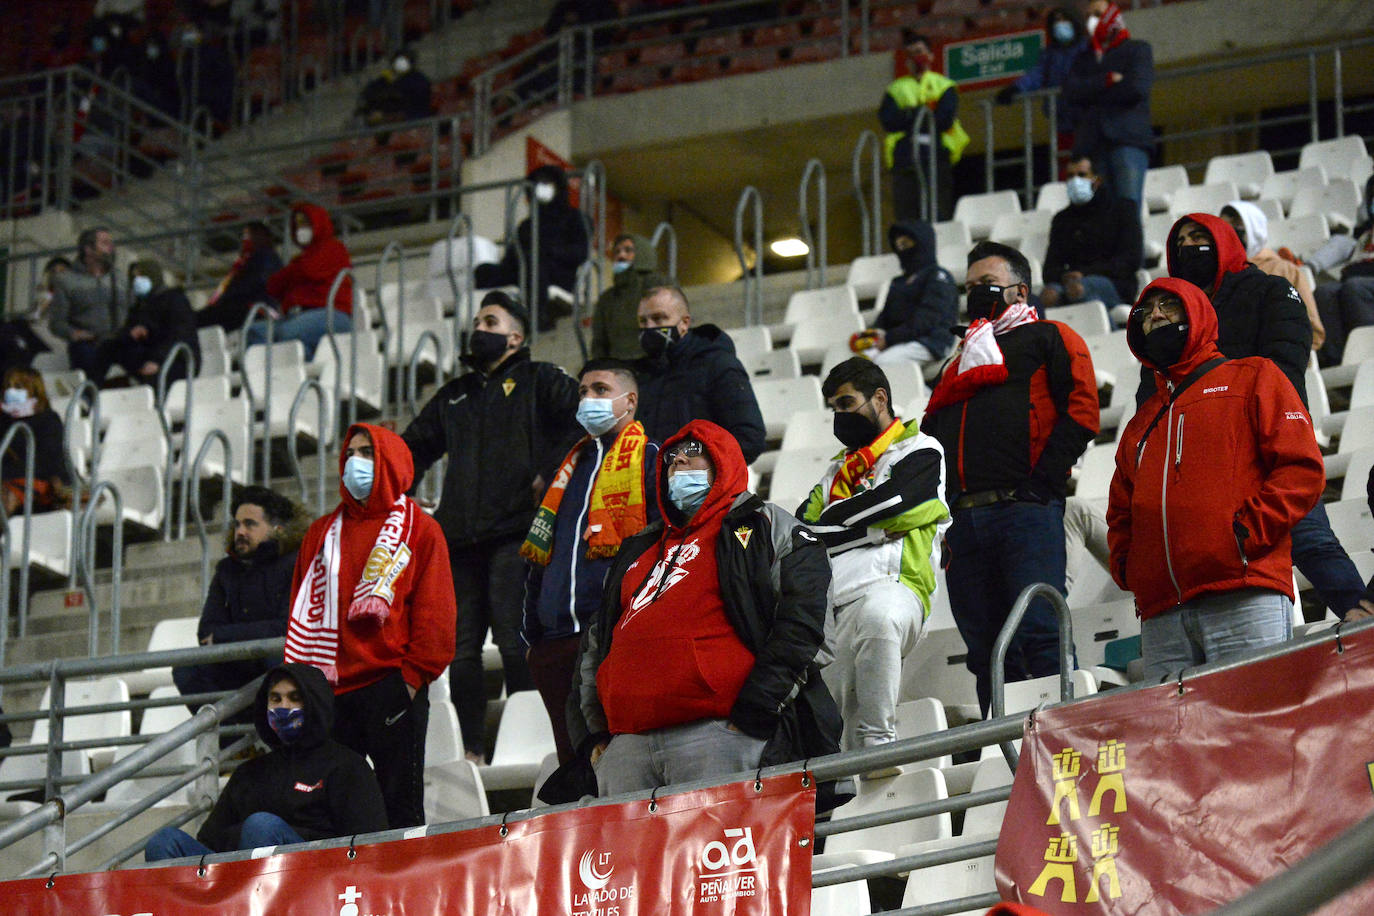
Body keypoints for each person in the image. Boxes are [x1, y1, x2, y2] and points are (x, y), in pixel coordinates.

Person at [573, 420, 834, 794]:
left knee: (716, 854)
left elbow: (807, 622)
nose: (677, 466)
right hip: (626, 746)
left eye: (691, 459)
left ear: (722, 463)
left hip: (719, 735)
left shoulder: (768, 527)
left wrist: (756, 710)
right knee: (636, 857)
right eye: (672, 461)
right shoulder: (638, 547)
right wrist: (596, 733)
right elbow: (596, 644)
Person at [1149, 212, 1366, 622]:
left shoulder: (1270, 289)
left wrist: (1235, 409)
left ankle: (1361, 620)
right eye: (1181, 240)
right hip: (1202, 456)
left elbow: (1286, 362)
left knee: (1309, 538)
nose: (1188, 247)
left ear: (1227, 240)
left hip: (1268, 436)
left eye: (1200, 236)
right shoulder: (1170, 314)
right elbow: (1153, 394)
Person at [1108, 280, 1324, 681]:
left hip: (1245, 594)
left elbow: (1301, 470)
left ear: (1199, 314)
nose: (1155, 315)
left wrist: (1242, 537)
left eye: (1168, 306)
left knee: (1255, 732)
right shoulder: (1142, 422)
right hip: (1161, 613)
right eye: (1146, 310)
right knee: (1180, 744)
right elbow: (1121, 511)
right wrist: (1132, 567)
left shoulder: (1255, 377)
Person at [401, 292, 581, 763]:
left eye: (490, 320)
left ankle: (528, 741)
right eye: (477, 319)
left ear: (515, 337)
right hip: (456, 540)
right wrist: (403, 492)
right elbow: (412, 447)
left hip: (516, 531)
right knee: (460, 653)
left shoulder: (541, 378)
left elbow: (579, 423)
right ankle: (472, 750)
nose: (478, 327)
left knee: (513, 641)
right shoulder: (454, 395)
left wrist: (548, 470)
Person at [920, 242, 1099, 713]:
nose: (976, 292)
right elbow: (931, 436)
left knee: (1040, 635)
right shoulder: (958, 360)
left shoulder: (1049, 336)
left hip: (1025, 511)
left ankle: (1065, 752)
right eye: (970, 286)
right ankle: (1009, 766)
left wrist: (1041, 485)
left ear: (1020, 290)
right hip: (965, 524)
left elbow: (1081, 413)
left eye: (987, 284)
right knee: (986, 654)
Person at [285, 423, 456, 829]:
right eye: (350, 454)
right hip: (329, 691)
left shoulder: (421, 529)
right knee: (334, 812)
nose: (354, 463)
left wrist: (411, 680)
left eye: (367, 453)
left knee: (400, 808)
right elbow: (297, 607)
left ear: (391, 463)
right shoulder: (320, 534)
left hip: (391, 687)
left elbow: (436, 613)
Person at [799, 358, 950, 752]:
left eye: (847, 404)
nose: (840, 416)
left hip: (896, 585)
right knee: (829, 719)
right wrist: (874, 530)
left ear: (879, 398)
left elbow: (899, 504)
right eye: (833, 407)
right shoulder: (834, 473)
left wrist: (840, 521)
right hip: (832, 601)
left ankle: (880, 744)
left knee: (878, 618)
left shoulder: (921, 449)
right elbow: (804, 533)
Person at [520, 359, 660, 765]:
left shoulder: (652, 459)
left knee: (621, 765)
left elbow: (660, 549)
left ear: (629, 401)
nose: (588, 400)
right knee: (575, 768)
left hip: (613, 639)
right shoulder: (568, 467)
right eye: (583, 392)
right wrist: (532, 638)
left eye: (600, 390)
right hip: (555, 643)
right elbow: (539, 556)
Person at [144, 664, 388, 861]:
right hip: (240, 878)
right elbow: (210, 841)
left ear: (315, 704)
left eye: (294, 698)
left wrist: (264, 833)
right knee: (165, 842)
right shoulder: (249, 772)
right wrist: (244, 838)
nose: (284, 707)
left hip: (316, 880)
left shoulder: (346, 766)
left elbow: (369, 848)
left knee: (261, 826)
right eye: (276, 699)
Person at [172, 487, 305, 708]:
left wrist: (227, 635)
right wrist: (238, 636)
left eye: (250, 524)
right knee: (188, 669)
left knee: (279, 660)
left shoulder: (297, 563)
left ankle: (277, 734)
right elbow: (206, 632)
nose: (240, 531)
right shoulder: (227, 569)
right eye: (237, 524)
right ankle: (233, 737)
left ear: (277, 529)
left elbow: (288, 627)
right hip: (241, 666)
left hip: (280, 662)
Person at [633, 280, 767, 463]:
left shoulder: (717, 365)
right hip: (653, 487)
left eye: (658, 319)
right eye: (643, 321)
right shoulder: (641, 376)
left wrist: (697, 468)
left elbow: (749, 437)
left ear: (684, 323)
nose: (649, 328)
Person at [474, 164, 590, 332]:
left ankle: (537, 319)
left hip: (559, 273)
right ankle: (485, 326)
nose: (541, 188)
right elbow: (512, 257)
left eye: (547, 183)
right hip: (525, 270)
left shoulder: (575, 218)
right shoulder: (527, 225)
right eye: (537, 184)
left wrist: (550, 252)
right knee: (483, 271)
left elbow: (580, 252)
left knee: (535, 263)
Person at [1061, 2, 1153, 213]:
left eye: (1097, 14)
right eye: (1088, 16)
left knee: (1128, 212)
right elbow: (1070, 93)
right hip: (1092, 146)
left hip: (1128, 140)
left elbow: (1136, 89)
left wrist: (1092, 94)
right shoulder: (1083, 60)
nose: (1092, 20)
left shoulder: (1137, 49)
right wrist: (1108, 80)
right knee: (1102, 214)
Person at [878, 31, 968, 223]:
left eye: (919, 51)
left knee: (938, 211)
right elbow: (888, 121)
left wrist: (909, 115)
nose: (915, 57)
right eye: (910, 54)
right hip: (904, 158)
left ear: (931, 55)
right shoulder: (896, 89)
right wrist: (923, 113)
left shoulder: (944, 86)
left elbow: (944, 120)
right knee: (907, 214)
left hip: (937, 157)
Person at [1040, 151, 1143, 315]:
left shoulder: (1123, 209)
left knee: (1078, 288)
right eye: (1070, 176)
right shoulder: (1062, 219)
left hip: (1116, 283)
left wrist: (1085, 273)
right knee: (1048, 296)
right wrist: (1065, 276)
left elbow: (1131, 259)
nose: (1075, 181)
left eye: (1082, 175)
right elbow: (1050, 269)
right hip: (1070, 282)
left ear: (1097, 180)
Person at [853, 220, 959, 379]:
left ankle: (925, 400)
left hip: (931, 342)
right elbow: (885, 317)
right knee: (855, 367)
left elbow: (926, 320)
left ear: (923, 243)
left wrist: (888, 339)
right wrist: (873, 334)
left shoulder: (938, 276)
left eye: (906, 244)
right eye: (899, 245)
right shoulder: (898, 282)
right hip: (900, 341)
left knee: (884, 363)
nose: (902, 250)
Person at [249, 203, 353, 360]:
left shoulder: (334, 248)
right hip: (296, 316)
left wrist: (290, 273)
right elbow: (273, 286)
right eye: (296, 225)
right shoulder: (298, 261)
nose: (299, 229)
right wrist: (292, 272)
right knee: (254, 332)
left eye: (304, 223)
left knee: (289, 333)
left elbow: (308, 270)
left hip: (332, 314)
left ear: (317, 223)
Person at [1220, 201, 1325, 353]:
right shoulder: (1216, 272)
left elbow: (1313, 332)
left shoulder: (1284, 270)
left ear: (1253, 228)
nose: (1230, 231)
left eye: (1237, 224)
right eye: (1224, 226)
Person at [995, 6, 1088, 155]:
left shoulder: (1088, 48)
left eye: (1065, 20)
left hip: (1088, 118)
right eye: (1056, 21)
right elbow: (1036, 75)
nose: (1060, 24)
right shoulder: (1049, 54)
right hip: (1062, 121)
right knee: (1066, 165)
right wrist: (1016, 88)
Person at [94, 259, 200, 386]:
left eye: (141, 276)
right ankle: (92, 391)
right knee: (108, 347)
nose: (136, 281)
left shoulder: (175, 300)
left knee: (152, 379)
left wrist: (157, 361)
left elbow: (179, 334)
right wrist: (130, 334)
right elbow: (126, 330)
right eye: (135, 278)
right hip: (148, 354)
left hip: (175, 358)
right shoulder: (140, 306)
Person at [47, 226, 128, 380]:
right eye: (104, 243)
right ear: (88, 249)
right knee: (88, 360)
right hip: (90, 344)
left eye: (111, 243)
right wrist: (74, 334)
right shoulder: (66, 281)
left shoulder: (120, 279)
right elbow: (56, 323)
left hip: (119, 341)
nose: (111, 248)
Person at [1311, 175, 1374, 366]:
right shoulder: (1364, 235)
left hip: (1363, 283)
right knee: (1324, 292)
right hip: (1357, 278)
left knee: (1354, 288)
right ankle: (1336, 360)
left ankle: (1367, 350)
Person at [0, 368, 71, 515]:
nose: (10, 392)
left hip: (42, 480)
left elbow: (47, 462)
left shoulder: (48, 420)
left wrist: (5, 472)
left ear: (34, 390)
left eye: (17, 387)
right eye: (7, 387)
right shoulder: (4, 421)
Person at [196, 222, 284, 331]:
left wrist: (229, 296)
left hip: (256, 309)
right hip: (241, 306)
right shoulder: (244, 261)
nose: (244, 239)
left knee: (200, 319)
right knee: (200, 318)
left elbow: (256, 282)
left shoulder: (267, 257)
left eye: (247, 235)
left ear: (258, 236)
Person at [590, 233, 658, 361]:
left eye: (628, 250)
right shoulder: (607, 298)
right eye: (617, 252)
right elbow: (599, 341)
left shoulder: (658, 284)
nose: (621, 256)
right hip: (619, 370)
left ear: (642, 253)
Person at [356, 48, 434, 130]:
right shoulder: (384, 80)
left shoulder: (418, 79)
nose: (400, 63)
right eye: (398, 60)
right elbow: (369, 93)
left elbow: (418, 105)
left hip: (410, 120)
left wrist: (388, 117)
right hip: (384, 120)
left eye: (405, 59)